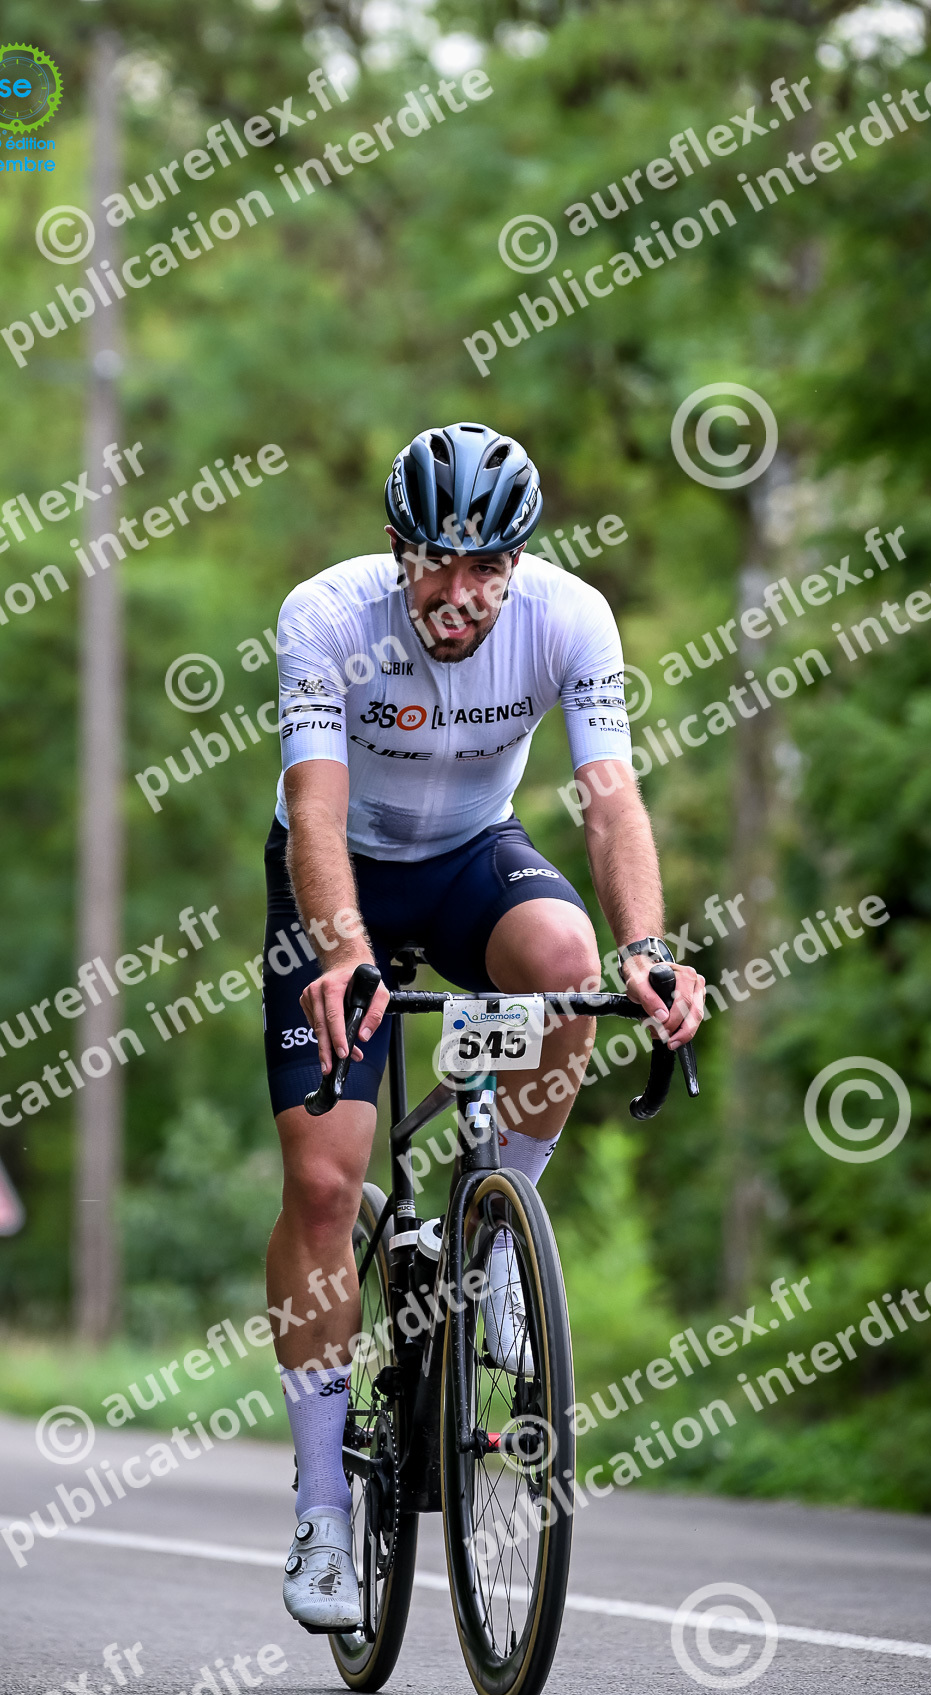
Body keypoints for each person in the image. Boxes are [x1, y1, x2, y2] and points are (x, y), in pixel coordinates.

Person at [262, 421, 705, 1629]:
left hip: (470, 861)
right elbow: (314, 809)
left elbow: (609, 802)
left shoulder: (569, 617)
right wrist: (342, 950)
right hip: (338, 878)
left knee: (568, 963)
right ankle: (321, 1511)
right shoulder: (327, 616)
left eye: (488, 567)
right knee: (324, 1183)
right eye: (436, 562)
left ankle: (495, 1232)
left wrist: (646, 950)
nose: (460, 593)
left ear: (520, 561)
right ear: (394, 545)